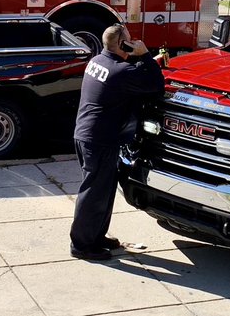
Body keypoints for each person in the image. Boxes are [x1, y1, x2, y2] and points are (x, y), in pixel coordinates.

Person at [69, 24, 165, 261]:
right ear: (122, 45)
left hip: (89, 135)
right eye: (129, 40)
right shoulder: (120, 72)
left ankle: (96, 237)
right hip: (99, 140)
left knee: (103, 191)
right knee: (92, 193)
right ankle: (81, 245)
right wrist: (144, 56)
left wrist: (142, 61)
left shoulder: (99, 62)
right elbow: (155, 85)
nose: (133, 42)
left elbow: (128, 75)